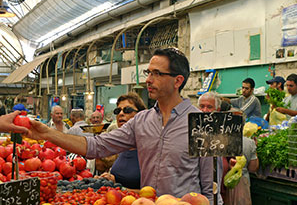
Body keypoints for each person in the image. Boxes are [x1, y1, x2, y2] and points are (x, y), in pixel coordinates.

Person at [25, 48, 214, 202]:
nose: (148, 79)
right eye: (149, 73)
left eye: (157, 74)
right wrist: (48, 134)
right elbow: (97, 146)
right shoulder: (142, 120)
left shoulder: (205, 123)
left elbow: (211, 186)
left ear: (177, 81)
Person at [98, 92, 146, 190]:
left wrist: (122, 189)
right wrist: (111, 180)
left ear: (141, 115)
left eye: (127, 110)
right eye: (117, 110)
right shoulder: (122, 145)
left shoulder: (149, 148)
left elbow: (154, 193)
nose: (121, 114)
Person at [197, 91, 223, 205]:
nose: (205, 110)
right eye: (202, 106)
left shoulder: (220, 133)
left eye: (209, 107)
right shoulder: (194, 131)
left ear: (217, 110)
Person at [223, 136, 259, 205]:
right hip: (242, 182)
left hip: (223, 182)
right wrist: (254, 148)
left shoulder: (219, 140)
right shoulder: (249, 142)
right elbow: (253, 168)